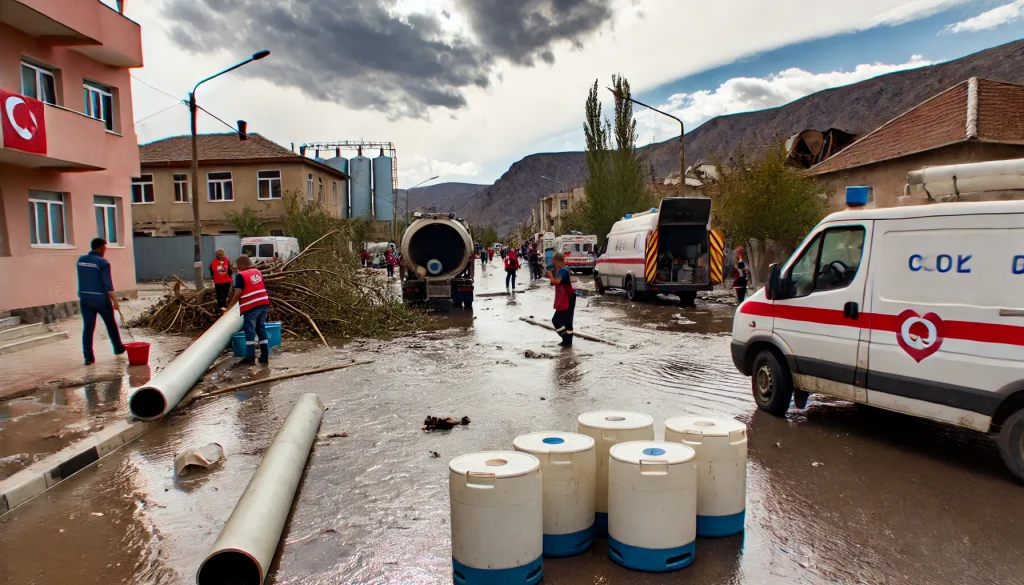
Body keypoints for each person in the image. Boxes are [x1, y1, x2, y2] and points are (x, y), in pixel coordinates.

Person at [76, 238, 126, 365]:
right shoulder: (103, 263)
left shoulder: (80, 261)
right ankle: (118, 347)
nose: (105, 250)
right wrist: (115, 302)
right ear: (99, 247)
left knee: (88, 328)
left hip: (85, 299)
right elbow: (108, 286)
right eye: (104, 247)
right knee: (110, 324)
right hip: (100, 299)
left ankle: (88, 357)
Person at [226, 254, 271, 365]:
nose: (237, 269)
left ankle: (250, 358)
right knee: (261, 330)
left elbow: (238, 293)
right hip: (264, 303)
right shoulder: (258, 272)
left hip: (252, 306)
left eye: (237, 266)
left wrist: (229, 308)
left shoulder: (240, 275)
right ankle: (264, 357)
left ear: (241, 264)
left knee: (249, 332)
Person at [547, 251, 575, 347]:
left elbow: (556, 282)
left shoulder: (563, 270)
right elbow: (553, 282)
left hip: (568, 298)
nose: (552, 262)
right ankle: (567, 342)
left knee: (556, 320)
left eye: (553, 260)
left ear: (557, 260)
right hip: (565, 297)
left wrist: (550, 275)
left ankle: (566, 338)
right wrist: (552, 276)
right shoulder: (559, 269)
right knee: (567, 321)